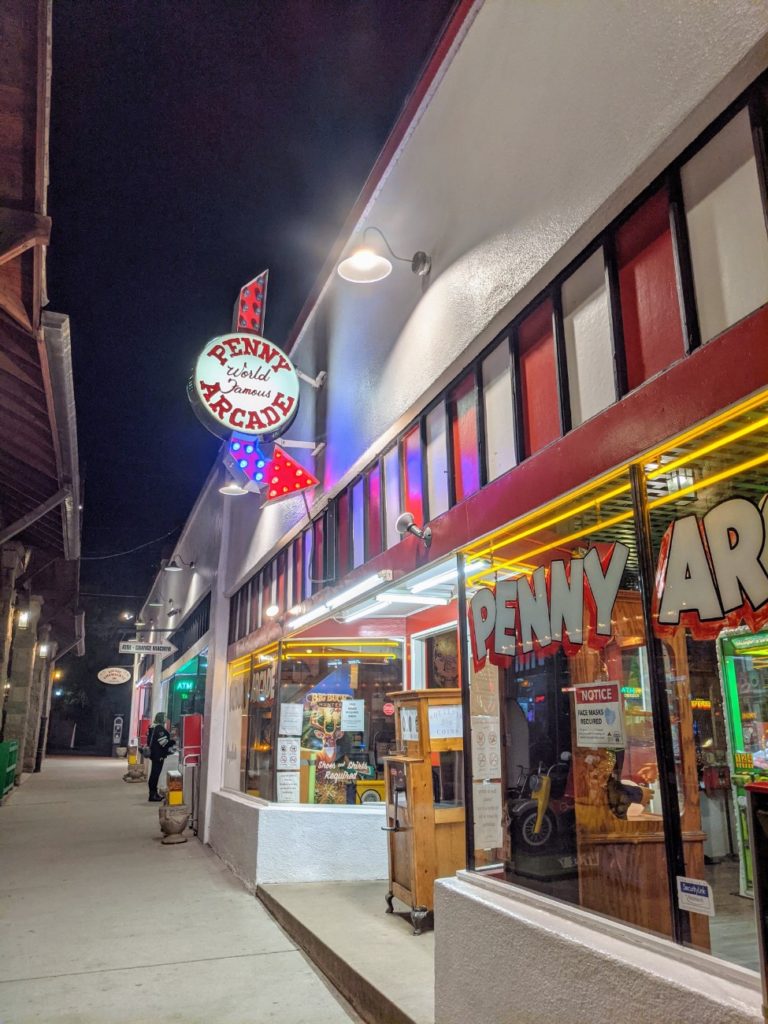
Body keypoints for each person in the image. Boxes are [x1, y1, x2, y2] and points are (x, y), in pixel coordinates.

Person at [146, 712, 175, 802]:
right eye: (165, 717)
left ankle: (153, 793)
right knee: (155, 774)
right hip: (158, 755)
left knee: (154, 774)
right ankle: (153, 795)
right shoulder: (159, 728)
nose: (166, 719)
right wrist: (173, 741)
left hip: (154, 754)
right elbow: (164, 743)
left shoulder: (153, 727)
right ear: (161, 718)